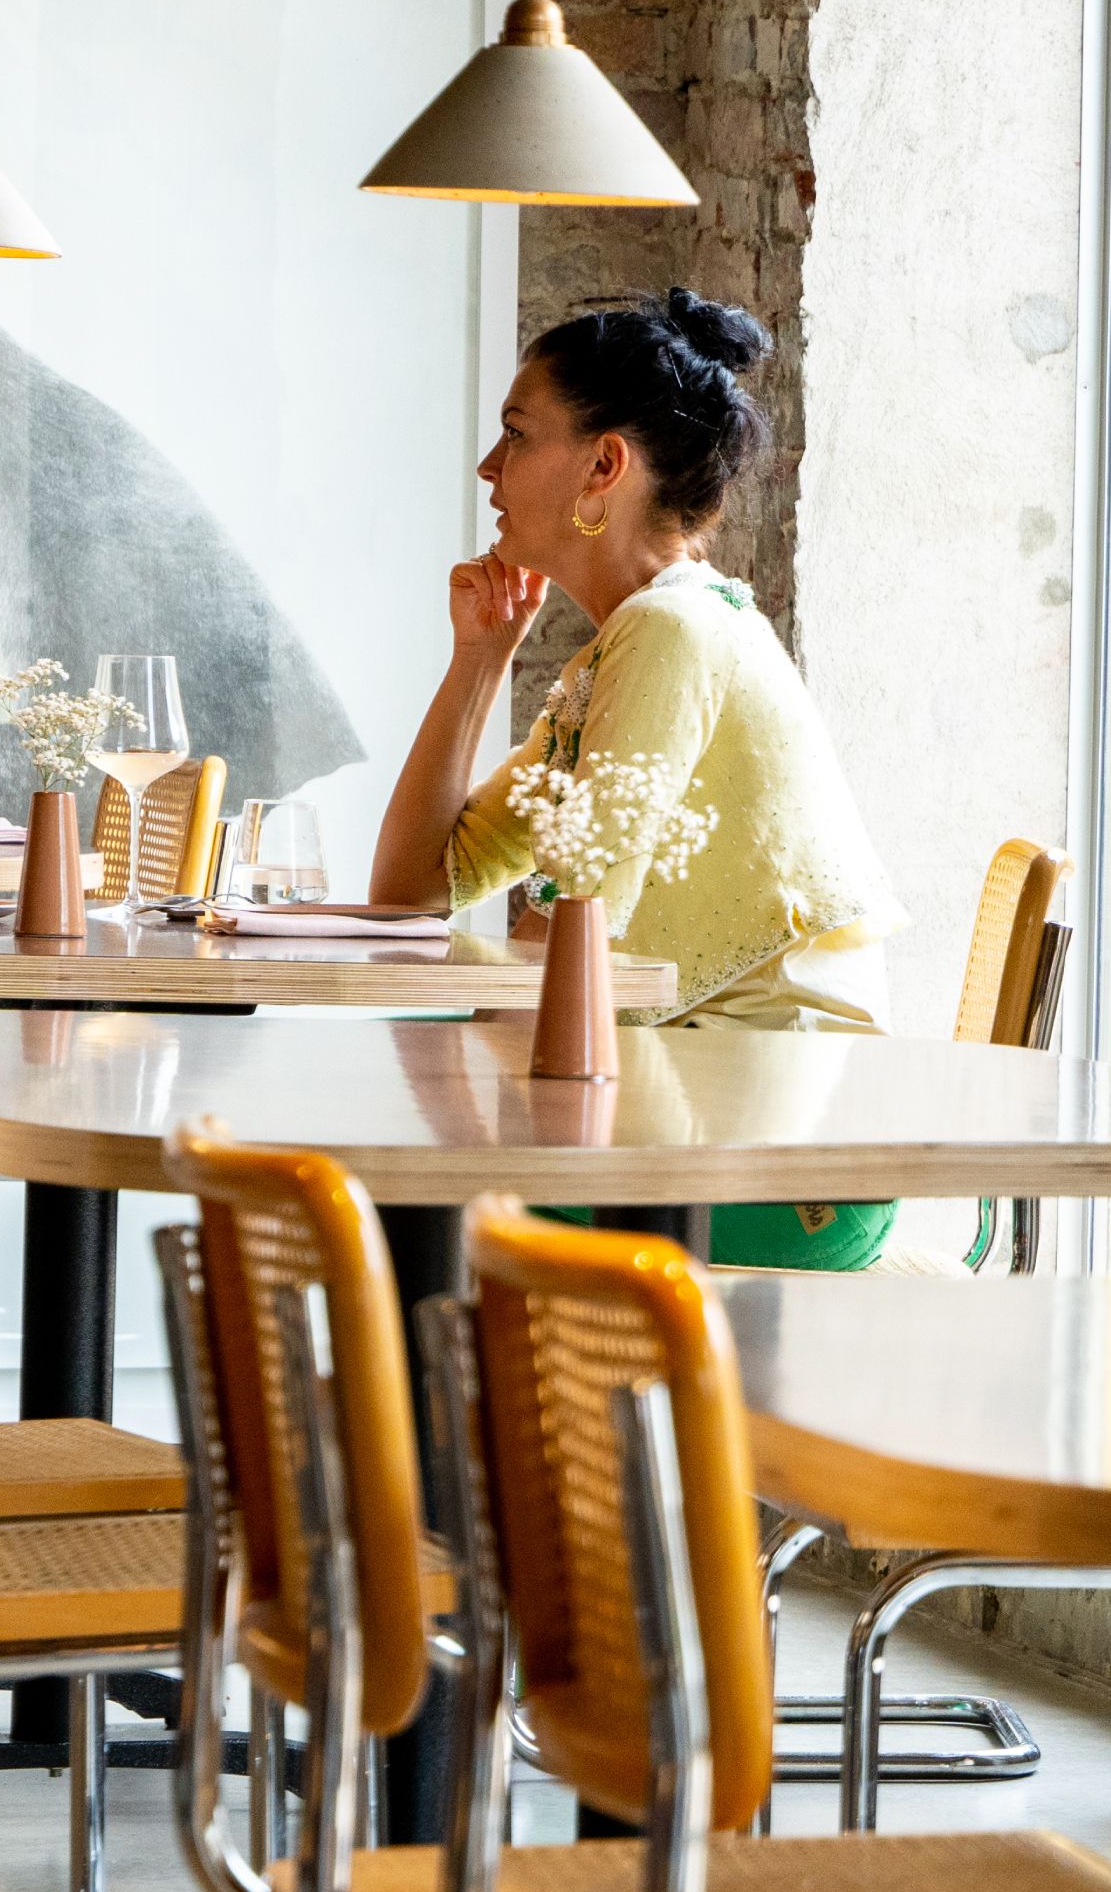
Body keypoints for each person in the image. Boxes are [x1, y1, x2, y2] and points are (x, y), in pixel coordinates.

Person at [370, 289, 905, 1269]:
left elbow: (570, 953)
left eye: (517, 435)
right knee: (409, 1164)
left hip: (787, 1175)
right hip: (694, 1120)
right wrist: (478, 663)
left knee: (414, 1187)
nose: (489, 468)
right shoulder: (627, 645)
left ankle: (449, 1425)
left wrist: (429, 996)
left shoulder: (672, 632)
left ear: (603, 466)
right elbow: (413, 896)